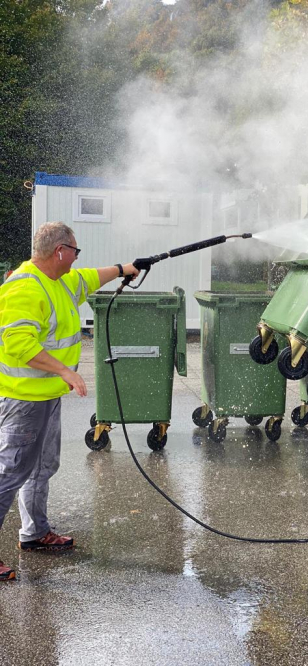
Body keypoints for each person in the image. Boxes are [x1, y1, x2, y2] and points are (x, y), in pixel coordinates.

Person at [0, 222, 139, 581]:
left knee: (42, 468)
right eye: (75, 250)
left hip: (46, 399)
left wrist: (125, 269)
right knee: (10, 472)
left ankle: (34, 533)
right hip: (23, 401)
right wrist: (66, 371)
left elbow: (92, 278)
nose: (78, 257)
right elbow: (18, 345)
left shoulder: (61, 281)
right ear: (60, 251)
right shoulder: (25, 287)